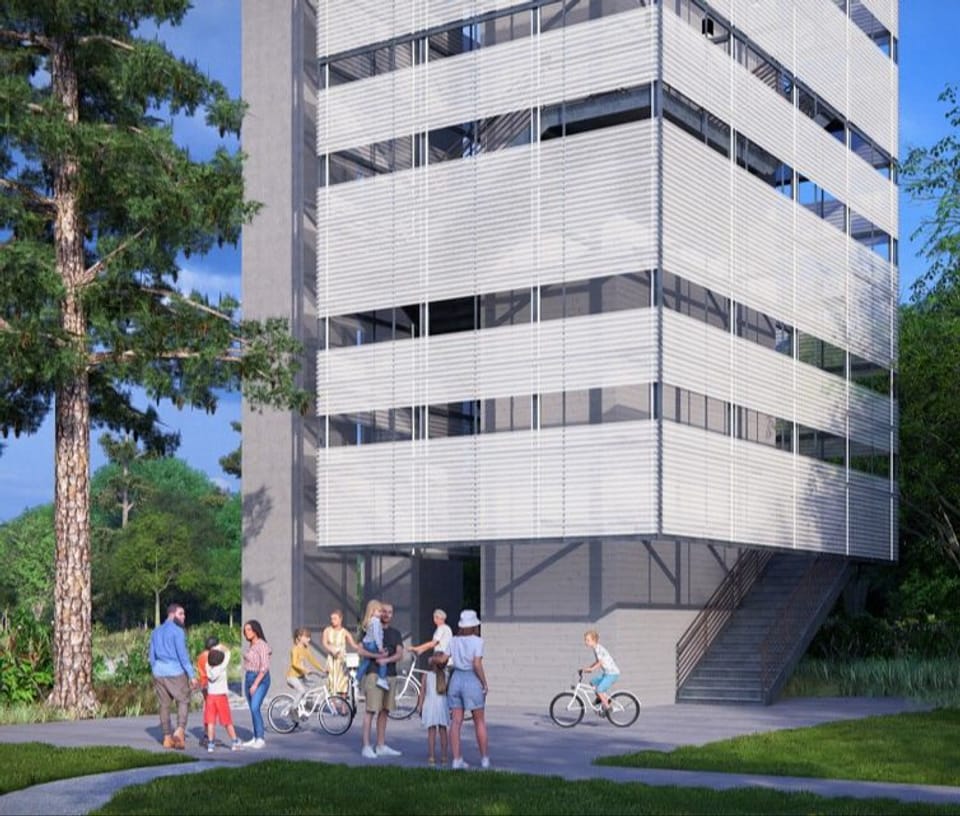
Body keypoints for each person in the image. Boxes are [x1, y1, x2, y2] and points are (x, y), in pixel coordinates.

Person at [358, 602, 404, 759]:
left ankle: (381, 745)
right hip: (373, 674)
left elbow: (400, 654)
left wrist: (386, 660)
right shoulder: (369, 627)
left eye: (390, 612)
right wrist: (377, 657)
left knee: (385, 711)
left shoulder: (396, 633)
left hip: (390, 675)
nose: (386, 614)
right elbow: (360, 650)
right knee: (371, 710)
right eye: (383, 611)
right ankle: (366, 746)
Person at [149, 603, 197, 750]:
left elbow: (152, 656)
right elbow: (183, 656)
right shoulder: (177, 631)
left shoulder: (155, 631)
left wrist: (155, 669)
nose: (184, 617)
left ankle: (166, 737)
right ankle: (180, 731)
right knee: (183, 700)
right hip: (175, 671)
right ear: (172, 614)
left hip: (159, 672)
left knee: (164, 705)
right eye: (181, 614)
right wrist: (192, 675)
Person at [447, 609, 489, 770]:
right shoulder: (478, 641)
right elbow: (477, 664)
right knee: (479, 721)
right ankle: (484, 758)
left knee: (456, 722)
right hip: (471, 679)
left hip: (456, 678)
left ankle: (456, 759)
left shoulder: (453, 640)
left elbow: (445, 658)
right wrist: (484, 683)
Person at [204, 645, 242, 752]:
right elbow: (228, 653)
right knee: (227, 721)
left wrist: (213, 650)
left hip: (210, 697)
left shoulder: (208, 667)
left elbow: (210, 659)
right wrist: (220, 646)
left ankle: (210, 744)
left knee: (211, 721)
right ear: (220, 660)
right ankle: (235, 742)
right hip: (221, 697)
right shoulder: (221, 667)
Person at [242, 619, 272, 749]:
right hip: (248, 677)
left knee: (255, 707)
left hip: (260, 679)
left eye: (249, 629)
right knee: (252, 709)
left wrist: (255, 684)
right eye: (245, 630)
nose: (246, 632)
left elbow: (264, 667)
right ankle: (255, 737)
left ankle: (260, 738)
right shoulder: (252, 645)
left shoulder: (262, 645)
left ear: (255, 630)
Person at [417, 650, 450, 766]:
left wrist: (420, 707)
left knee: (431, 732)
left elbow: (422, 693)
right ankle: (444, 757)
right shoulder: (446, 675)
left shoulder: (426, 675)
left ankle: (431, 757)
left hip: (430, 705)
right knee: (443, 731)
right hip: (442, 705)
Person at [321, 609, 359, 697]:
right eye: (332, 619)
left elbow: (353, 644)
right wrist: (331, 649)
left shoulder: (344, 631)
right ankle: (333, 705)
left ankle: (343, 706)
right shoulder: (327, 630)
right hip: (332, 659)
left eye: (335, 619)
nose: (332, 621)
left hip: (342, 660)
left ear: (340, 619)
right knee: (332, 682)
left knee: (343, 682)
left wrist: (362, 648)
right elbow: (324, 643)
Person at [355, 598, 390, 691]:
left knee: (365, 662)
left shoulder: (369, 621)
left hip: (367, 643)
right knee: (382, 658)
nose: (381, 614)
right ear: (372, 611)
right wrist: (380, 647)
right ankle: (382, 678)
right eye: (379, 611)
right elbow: (376, 635)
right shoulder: (375, 621)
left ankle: (357, 679)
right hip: (373, 643)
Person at [582, 629, 620, 713]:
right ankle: (601, 699)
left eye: (588, 640)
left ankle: (608, 708)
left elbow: (600, 662)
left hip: (612, 674)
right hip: (607, 673)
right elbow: (597, 661)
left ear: (594, 640)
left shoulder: (599, 649)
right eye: (585, 640)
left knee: (599, 690)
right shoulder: (595, 649)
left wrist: (591, 669)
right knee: (593, 682)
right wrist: (589, 668)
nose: (586, 642)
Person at [286, 628, 326, 695]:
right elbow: (294, 663)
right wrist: (305, 669)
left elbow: (313, 661)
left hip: (301, 677)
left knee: (314, 686)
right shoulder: (295, 649)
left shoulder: (305, 649)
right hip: (292, 677)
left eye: (309, 637)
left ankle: (306, 704)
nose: (309, 639)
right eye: (307, 637)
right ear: (299, 637)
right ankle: (294, 705)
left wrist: (323, 670)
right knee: (302, 691)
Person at [195, 635, 219, 747]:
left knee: (208, 709)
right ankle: (209, 736)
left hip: (203, 683)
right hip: (211, 685)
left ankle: (208, 735)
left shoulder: (201, 656)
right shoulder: (211, 656)